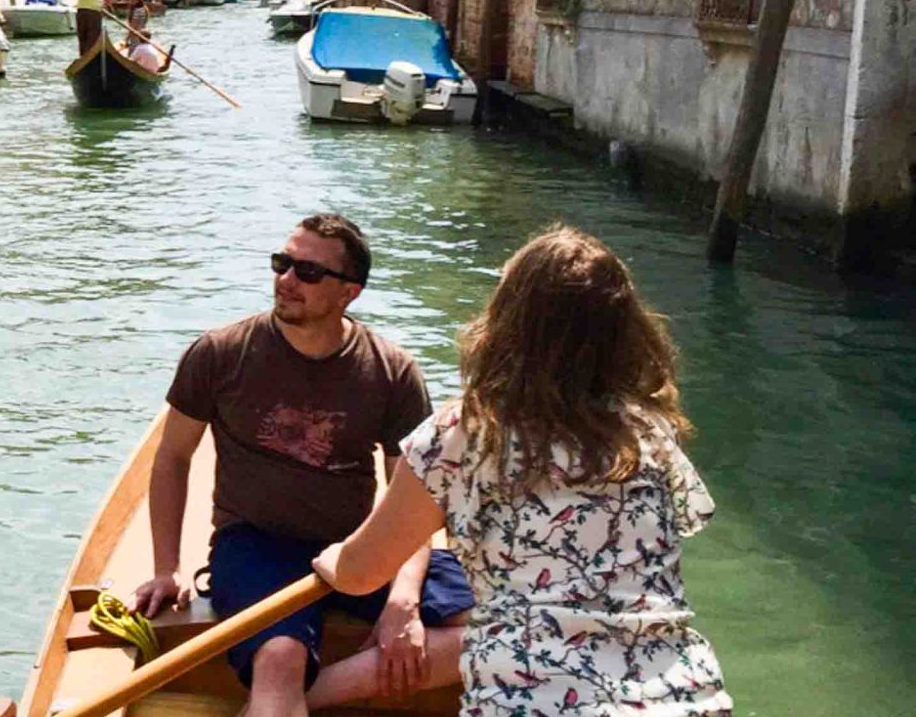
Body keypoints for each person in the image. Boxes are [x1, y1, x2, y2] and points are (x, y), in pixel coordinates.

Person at [312, 226, 733, 717]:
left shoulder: (467, 429)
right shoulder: (649, 429)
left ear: (508, 323)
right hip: (684, 695)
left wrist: (334, 561)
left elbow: (362, 573)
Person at [133, 214, 471, 717]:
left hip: (358, 545)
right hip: (255, 544)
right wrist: (166, 569)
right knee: (280, 659)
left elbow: (416, 497)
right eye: (282, 263)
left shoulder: (391, 370)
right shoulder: (220, 354)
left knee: (498, 625)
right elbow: (173, 458)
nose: (286, 280)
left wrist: (403, 599)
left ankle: (301, 700)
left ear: (349, 293)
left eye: (308, 273)